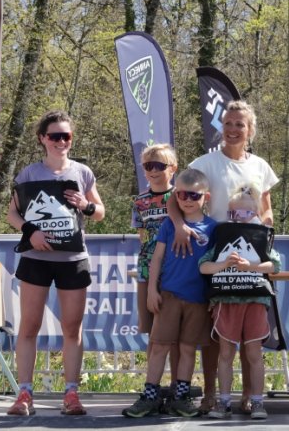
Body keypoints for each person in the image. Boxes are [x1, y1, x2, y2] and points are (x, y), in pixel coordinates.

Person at [168, 100, 279, 414]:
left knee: (250, 339)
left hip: (250, 259)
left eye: (239, 124)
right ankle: (212, 395)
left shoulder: (260, 166)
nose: (232, 129)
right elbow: (175, 198)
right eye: (227, 123)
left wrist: (261, 234)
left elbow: (267, 210)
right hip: (214, 254)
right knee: (216, 335)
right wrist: (179, 226)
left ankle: (249, 397)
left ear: (250, 130)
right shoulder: (204, 162)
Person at [6, 110, 105, 416]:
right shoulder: (29, 174)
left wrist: (86, 206)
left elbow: (100, 212)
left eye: (66, 136)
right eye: (55, 136)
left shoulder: (83, 172)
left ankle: (71, 394)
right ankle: (25, 393)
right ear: (42, 139)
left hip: (72, 259)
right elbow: (12, 214)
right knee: (29, 326)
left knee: (72, 328)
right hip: (36, 258)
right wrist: (30, 232)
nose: (61, 141)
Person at [122, 168, 216, 418]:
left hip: (198, 299)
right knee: (159, 347)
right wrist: (152, 290)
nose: (187, 200)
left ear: (205, 197)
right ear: (176, 196)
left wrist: (214, 298)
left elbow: (216, 266)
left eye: (194, 195)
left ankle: (181, 397)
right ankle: (150, 396)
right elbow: (156, 258)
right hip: (169, 295)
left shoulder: (213, 228)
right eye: (182, 194)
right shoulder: (168, 224)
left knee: (188, 349)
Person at [199, 185, 280, 420]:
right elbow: (203, 266)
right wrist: (224, 264)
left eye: (245, 213)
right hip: (226, 301)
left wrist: (250, 266)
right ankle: (224, 402)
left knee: (254, 353)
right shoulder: (222, 235)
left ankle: (257, 402)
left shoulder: (262, 235)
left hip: (255, 300)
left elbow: (275, 265)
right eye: (233, 213)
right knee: (225, 353)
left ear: (255, 213)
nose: (239, 218)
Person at [131, 143, 178, 409]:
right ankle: (153, 388)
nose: (153, 170)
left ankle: (177, 386)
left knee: (174, 334)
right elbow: (142, 237)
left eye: (159, 165)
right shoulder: (140, 201)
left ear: (173, 168)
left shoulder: (180, 197)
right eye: (148, 166)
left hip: (175, 270)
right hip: (148, 271)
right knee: (153, 333)